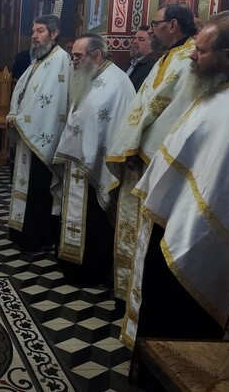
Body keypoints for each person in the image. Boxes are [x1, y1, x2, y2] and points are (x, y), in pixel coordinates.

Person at [122, 14, 229, 356]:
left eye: (201, 50)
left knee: (182, 332)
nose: (192, 56)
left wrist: (183, 226)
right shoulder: (221, 89)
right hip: (176, 224)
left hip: (199, 241)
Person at [106, 3, 197, 304]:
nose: (151, 29)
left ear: (172, 25)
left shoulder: (189, 60)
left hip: (155, 161)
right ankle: (127, 293)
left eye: (155, 24)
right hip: (139, 156)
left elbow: (174, 113)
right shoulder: (168, 57)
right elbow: (144, 105)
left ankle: (138, 298)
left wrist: (135, 147)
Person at [52, 33, 135, 286]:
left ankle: (91, 271)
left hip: (97, 167)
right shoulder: (90, 77)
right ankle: (72, 265)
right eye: (73, 56)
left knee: (95, 221)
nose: (74, 61)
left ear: (96, 55)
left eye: (78, 56)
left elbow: (112, 126)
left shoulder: (117, 83)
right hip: (78, 161)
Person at [6, 15, 71, 251]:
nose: (34, 36)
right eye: (33, 31)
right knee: (26, 182)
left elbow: (51, 103)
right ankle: (21, 232)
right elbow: (24, 92)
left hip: (43, 137)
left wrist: (21, 120)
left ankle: (37, 238)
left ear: (54, 34)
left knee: (38, 187)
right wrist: (15, 115)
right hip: (29, 132)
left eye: (40, 31)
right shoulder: (40, 59)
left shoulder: (60, 60)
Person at [125, 25, 159, 91]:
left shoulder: (153, 66)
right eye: (134, 38)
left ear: (152, 44)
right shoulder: (129, 62)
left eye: (141, 39)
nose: (134, 41)